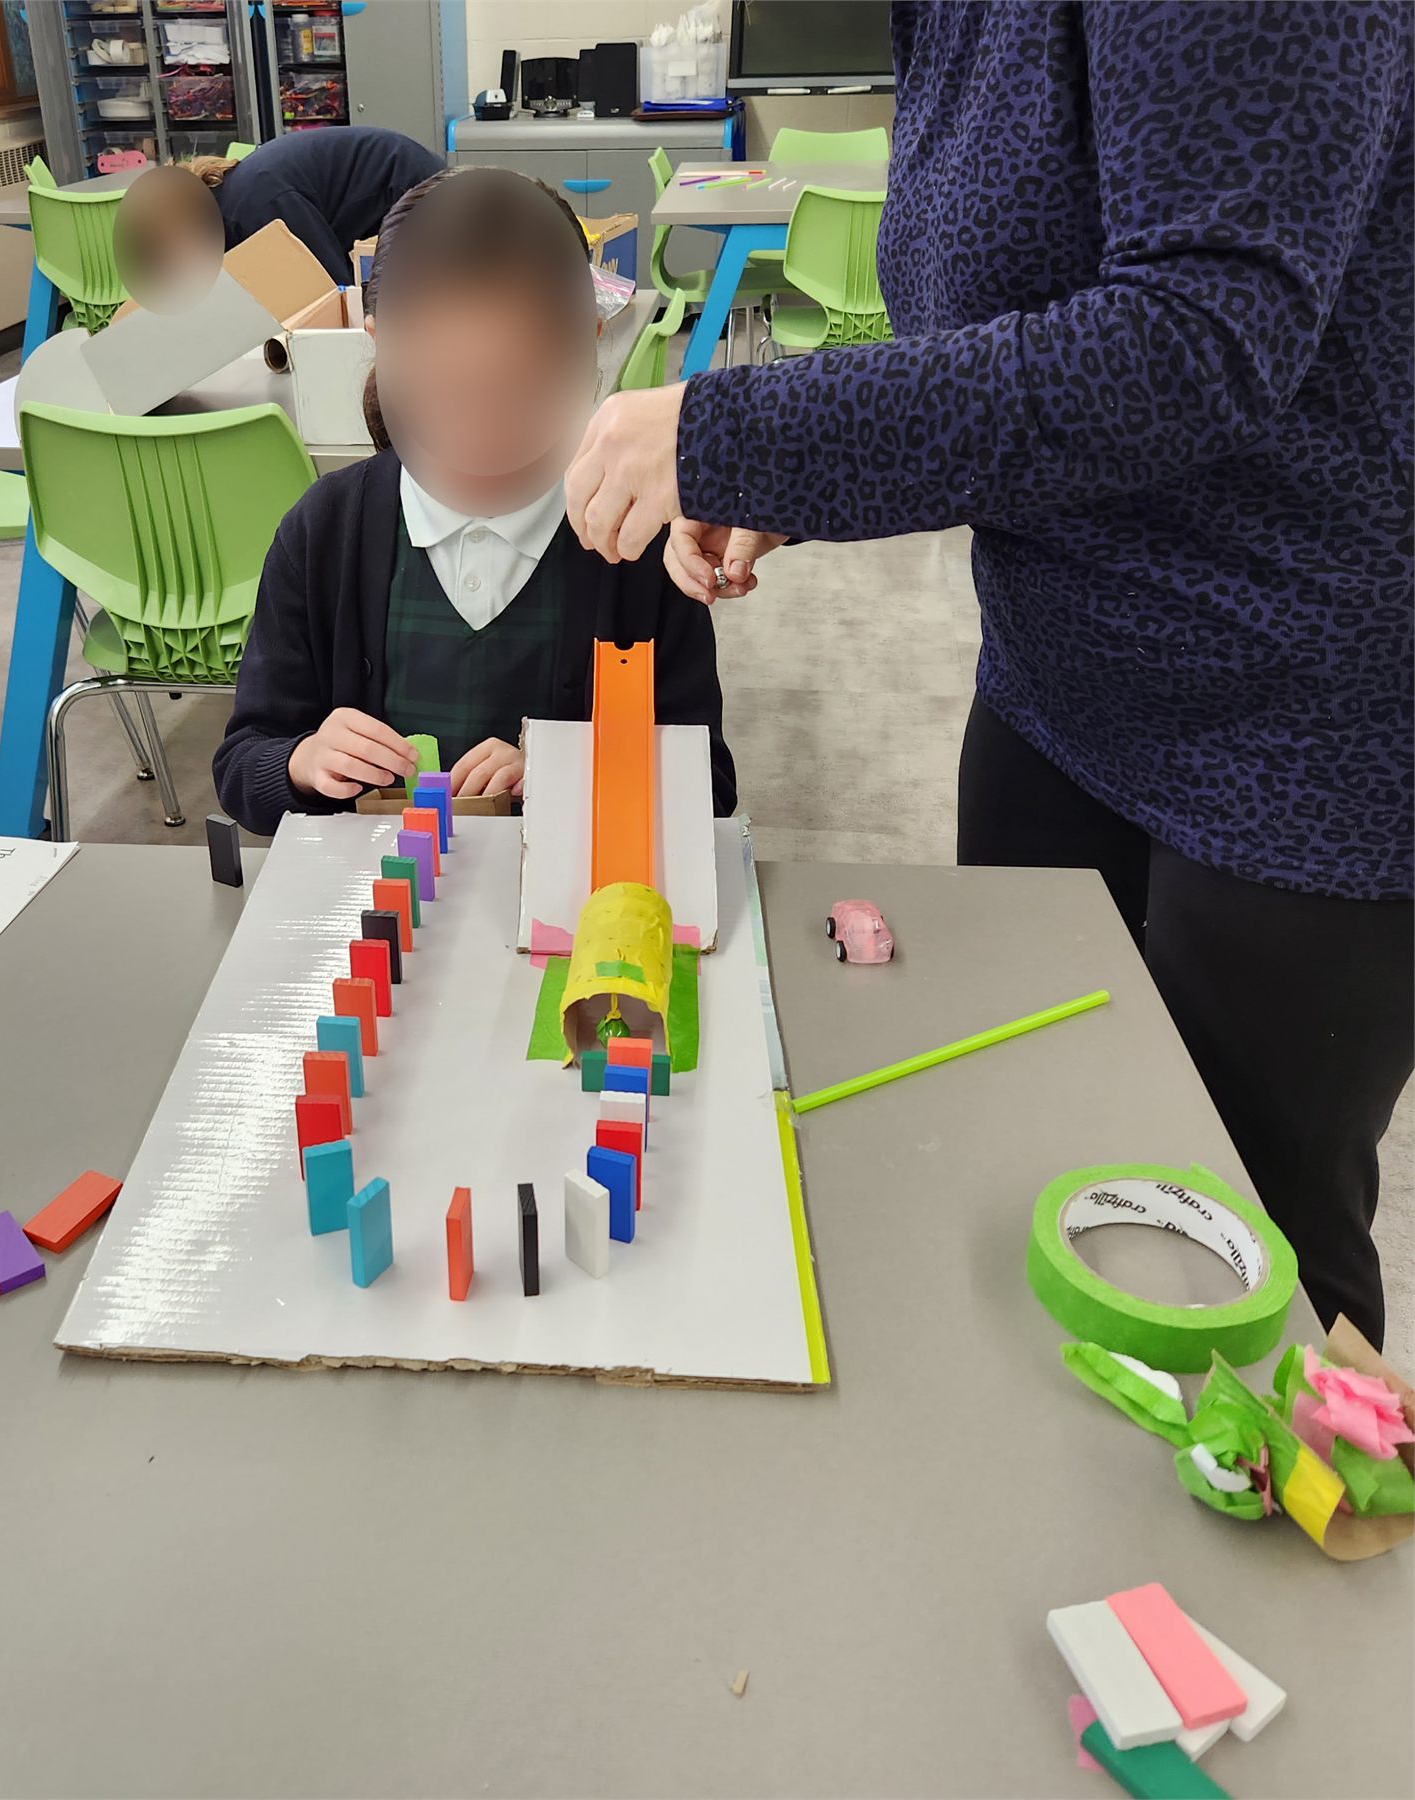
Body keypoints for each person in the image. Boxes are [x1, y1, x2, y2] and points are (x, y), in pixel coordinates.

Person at [562, 2, 1413, 1347]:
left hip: (1299, 731)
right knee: (1032, 1153)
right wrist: (806, 477)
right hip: (1059, 678)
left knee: (1260, 1271)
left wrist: (758, 429)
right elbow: (1024, 316)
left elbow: (1197, 339)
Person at [214, 168, 736, 834]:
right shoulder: (324, 534)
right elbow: (242, 764)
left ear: (584, 350)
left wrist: (565, 771)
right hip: (384, 911)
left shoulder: (638, 544)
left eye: (520, 394)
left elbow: (709, 788)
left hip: (566, 914)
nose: (483, 445)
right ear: (382, 349)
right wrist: (301, 761)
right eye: (450, 394)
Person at [185, 127, 444, 286]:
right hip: (388, 188)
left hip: (412, 188)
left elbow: (328, 284)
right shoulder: (231, 200)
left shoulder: (254, 208)